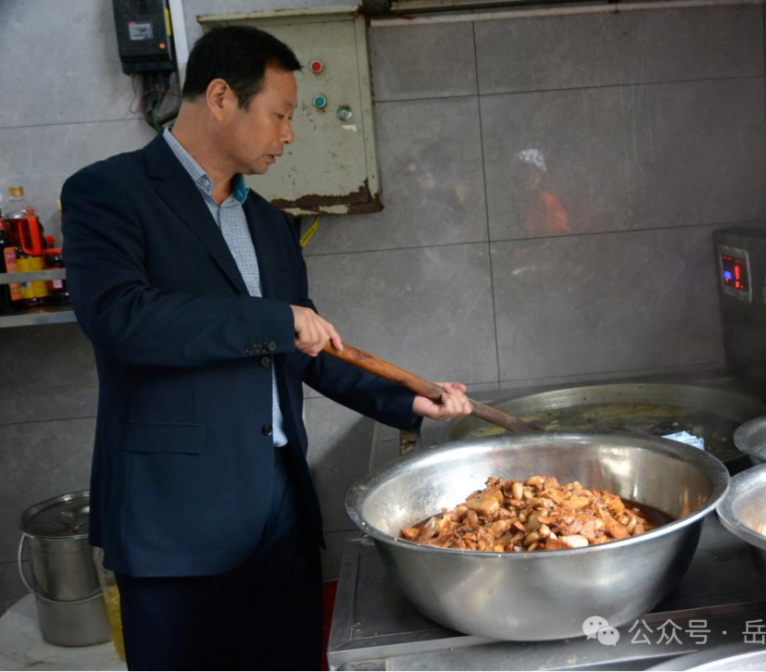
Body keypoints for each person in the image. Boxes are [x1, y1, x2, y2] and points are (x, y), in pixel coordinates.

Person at [61, 25, 472, 672]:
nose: (289, 134)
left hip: (279, 512)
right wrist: (276, 319)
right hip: (176, 520)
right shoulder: (108, 193)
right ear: (221, 97)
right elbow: (121, 318)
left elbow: (304, 347)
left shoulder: (270, 224)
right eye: (280, 114)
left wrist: (408, 399)